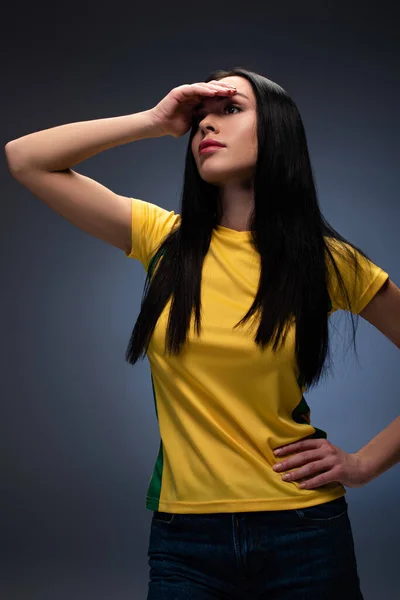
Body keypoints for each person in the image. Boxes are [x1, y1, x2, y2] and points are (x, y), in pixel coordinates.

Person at [5, 67, 398, 599]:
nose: (206, 126)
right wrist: (152, 120)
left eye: (230, 109)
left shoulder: (327, 262)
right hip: (185, 540)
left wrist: (364, 464)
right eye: (199, 119)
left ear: (278, 130)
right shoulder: (162, 239)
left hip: (304, 530)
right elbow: (26, 159)